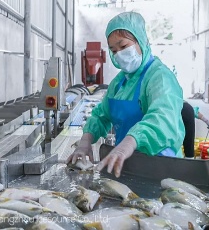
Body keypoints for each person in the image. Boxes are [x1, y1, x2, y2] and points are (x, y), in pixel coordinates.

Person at [67, 12, 185, 177]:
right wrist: (85, 141)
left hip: (161, 166)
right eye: (113, 50)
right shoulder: (120, 82)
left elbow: (163, 118)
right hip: (126, 165)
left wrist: (129, 142)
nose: (119, 54)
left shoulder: (160, 77)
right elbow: (101, 115)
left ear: (141, 41)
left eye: (123, 46)